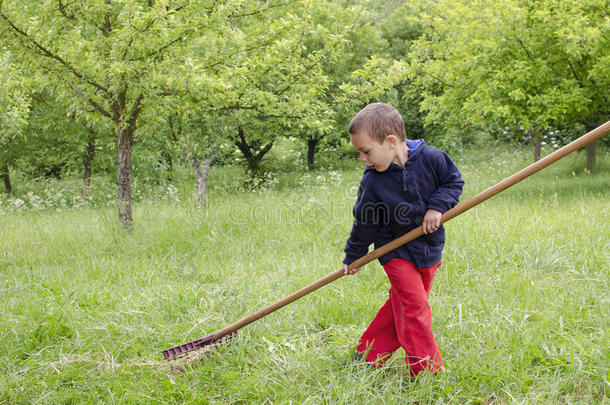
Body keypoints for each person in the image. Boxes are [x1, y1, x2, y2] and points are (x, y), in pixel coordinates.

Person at [341, 102, 464, 378]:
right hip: (395, 251)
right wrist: (354, 256)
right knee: (414, 308)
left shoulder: (432, 158)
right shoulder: (373, 181)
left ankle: (367, 356)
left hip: (429, 248)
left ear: (391, 141)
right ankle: (426, 374)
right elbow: (365, 222)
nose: (363, 159)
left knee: (402, 305)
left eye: (366, 151)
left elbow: (453, 182)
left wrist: (437, 207)